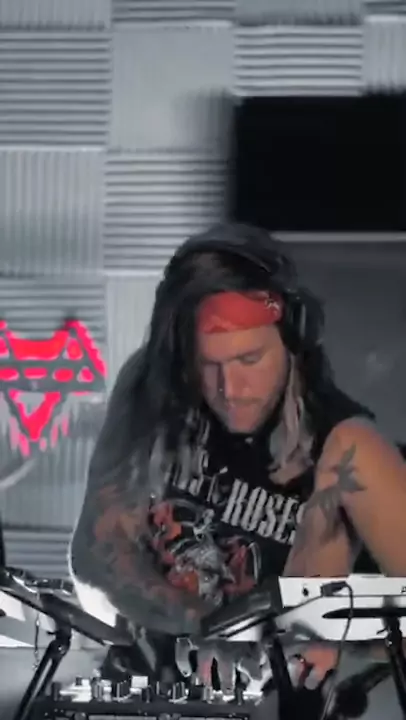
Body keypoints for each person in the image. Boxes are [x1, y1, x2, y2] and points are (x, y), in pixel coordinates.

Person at [69, 223, 406, 688]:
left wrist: (330, 631)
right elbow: (98, 552)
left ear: (293, 340)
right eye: (209, 365)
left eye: (250, 360)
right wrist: (209, 626)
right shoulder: (153, 389)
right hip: (143, 693)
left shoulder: (351, 452)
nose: (230, 389)